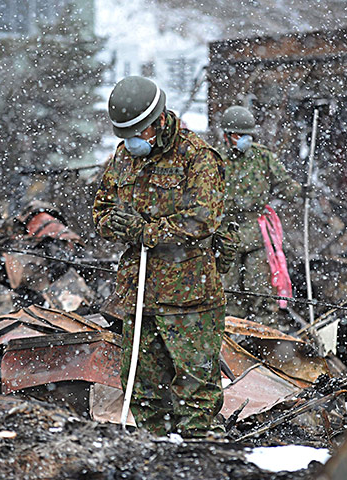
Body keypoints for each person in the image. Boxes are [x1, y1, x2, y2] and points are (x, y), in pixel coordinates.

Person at [92, 76, 227, 437]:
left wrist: (146, 232)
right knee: (142, 389)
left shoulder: (196, 157)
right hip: (138, 295)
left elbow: (202, 219)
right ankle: (156, 457)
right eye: (127, 134)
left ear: (160, 121)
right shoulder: (123, 157)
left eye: (139, 131)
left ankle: (199, 461)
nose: (132, 141)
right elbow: (101, 208)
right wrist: (115, 226)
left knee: (196, 394)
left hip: (189, 297)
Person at [217, 106, 302, 322]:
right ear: (227, 136)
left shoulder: (263, 157)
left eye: (247, 135)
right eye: (238, 135)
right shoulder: (216, 160)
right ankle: (233, 333)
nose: (244, 139)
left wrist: (301, 191)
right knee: (229, 291)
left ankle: (265, 333)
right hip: (227, 233)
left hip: (256, 232)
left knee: (260, 288)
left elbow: (285, 185)